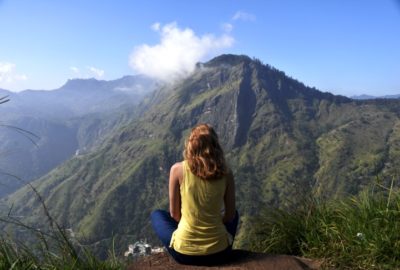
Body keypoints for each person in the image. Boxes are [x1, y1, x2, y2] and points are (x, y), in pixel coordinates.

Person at [151, 123, 238, 266]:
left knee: (157, 214)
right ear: (216, 147)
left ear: (191, 145)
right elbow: (230, 215)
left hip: (184, 254)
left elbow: (174, 215)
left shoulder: (177, 170)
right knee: (236, 214)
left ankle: (188, 237)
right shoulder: (226, 173)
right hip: (219, 253)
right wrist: (211, 226)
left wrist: (192, 227)